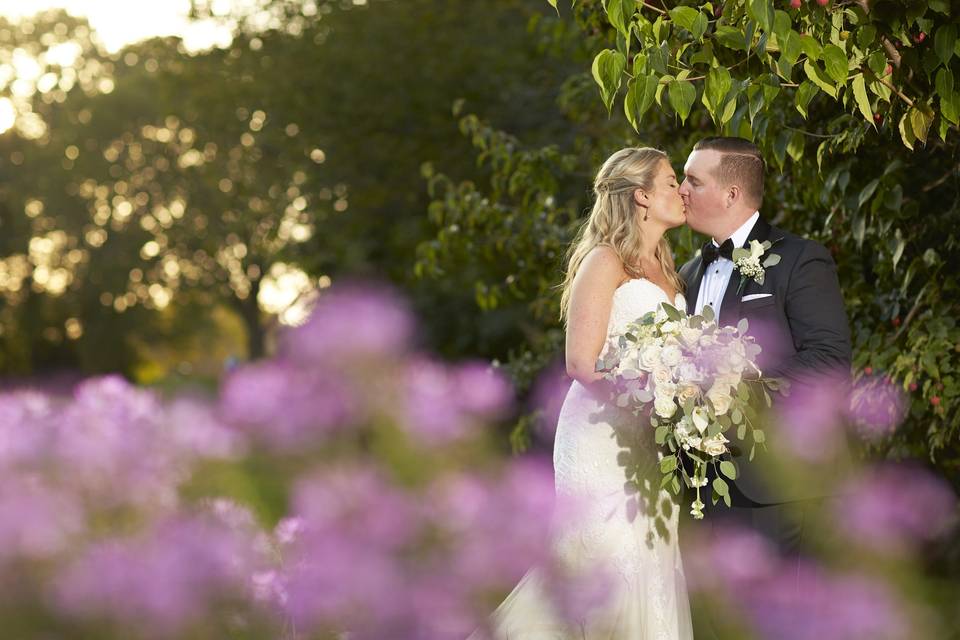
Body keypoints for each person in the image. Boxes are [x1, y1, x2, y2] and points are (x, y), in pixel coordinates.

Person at [470, 147, 693, 639]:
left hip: (649, 441)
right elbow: (580, 364)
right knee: (603, 558)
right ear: (642, 196)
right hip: (601, 436)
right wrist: (645, 400)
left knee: (650, 556)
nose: (682, 192)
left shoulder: (667, 268)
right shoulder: (604, 260)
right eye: (672, 181)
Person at [677, 136, 853, 635]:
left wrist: (734, 380)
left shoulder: (799, 259)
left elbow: (829, 364)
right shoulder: (687, 273)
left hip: (776, 489)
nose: (682, 190)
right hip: (702, 491)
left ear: (731, 193)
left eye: (694, 180)